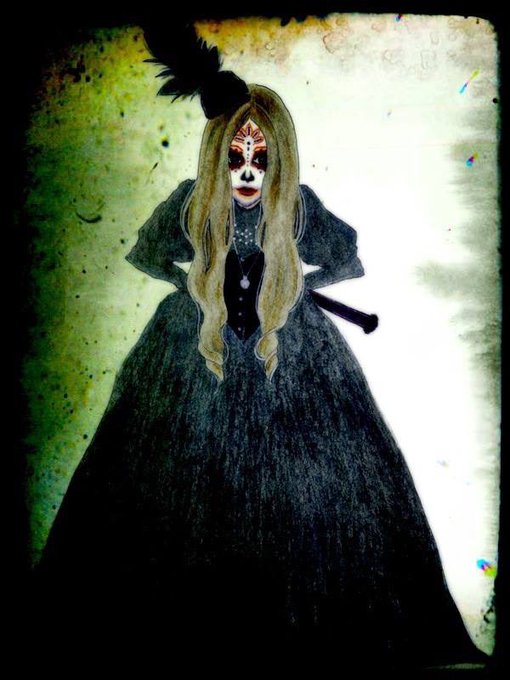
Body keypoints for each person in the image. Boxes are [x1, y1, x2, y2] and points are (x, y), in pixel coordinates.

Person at [33, 29, 488, 671]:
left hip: (289, 345)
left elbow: (346, 258)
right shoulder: (192, 204)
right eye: (236, 155)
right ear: (217, 155)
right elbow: (146, 253)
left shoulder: (296, 207)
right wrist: (191, 286)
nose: (247, 170)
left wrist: (293, 283)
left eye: (261, 156)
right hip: (195, 344)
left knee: (318, 481)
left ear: (279, 160)